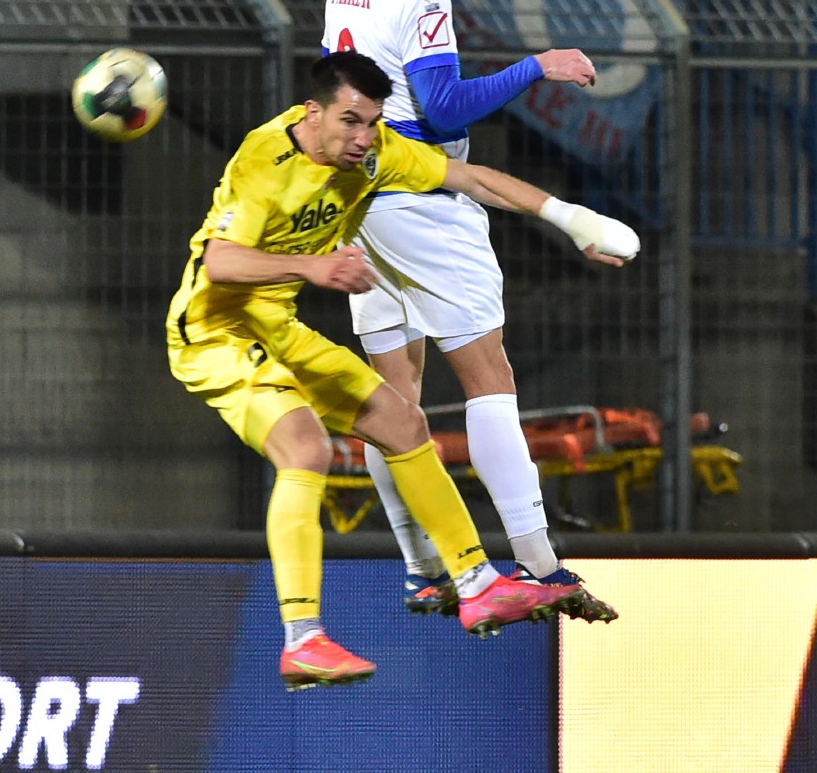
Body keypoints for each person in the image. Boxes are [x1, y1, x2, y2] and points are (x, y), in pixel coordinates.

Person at [166, 51, 637, 692]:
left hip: (276, 327)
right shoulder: (264, 160)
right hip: (215, 333)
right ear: (313, 113)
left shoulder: (376, 151)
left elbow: (472, 180)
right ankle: (303, 641)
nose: (363, 139)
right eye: (351, 122)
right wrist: (315, 268)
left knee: (401, 419)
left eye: (372, 123)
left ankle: (476, 585)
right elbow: (220, 262)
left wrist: (571, 220)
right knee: (306, 448)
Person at [322, 0, 633, 624]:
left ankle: (424, 568)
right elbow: (445, 106)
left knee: (395, 394)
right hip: (419, 193)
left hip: (356, 193)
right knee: (488, 374)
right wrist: (537, 66)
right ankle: (541, 563)